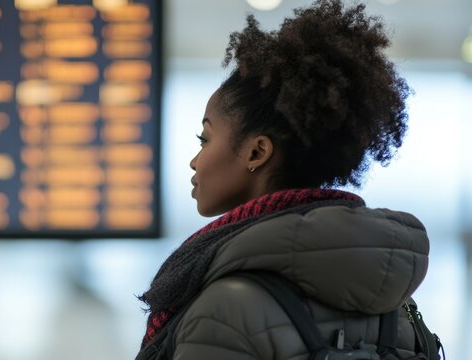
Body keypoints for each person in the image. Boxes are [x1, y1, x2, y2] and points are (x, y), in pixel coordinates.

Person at [136, 0, 434, 359]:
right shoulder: (394, 305)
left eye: (205, 139)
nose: (195, 160)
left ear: (257, 152)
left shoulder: (226, 307)